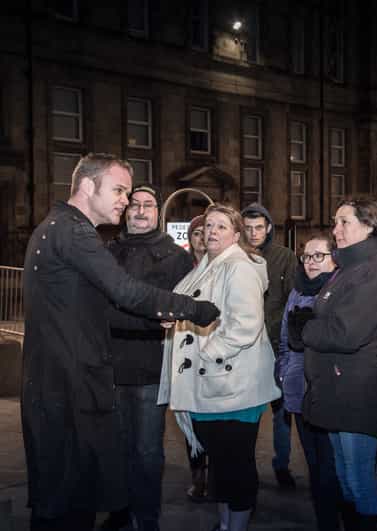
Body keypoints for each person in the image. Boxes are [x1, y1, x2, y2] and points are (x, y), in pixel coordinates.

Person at [21, 153, 219, 531]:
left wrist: (157, 313)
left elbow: (98, 306)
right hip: (67, 387)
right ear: (87, 186)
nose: (126, 201)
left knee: (66, 498)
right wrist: (191, 308)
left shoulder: (58, 227)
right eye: (119, 190)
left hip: (61, 383)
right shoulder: (75, 233)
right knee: (65, 504)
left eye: (129, 193)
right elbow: (125, 291)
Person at [158, 204, 281, 531]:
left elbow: (245, 326)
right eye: (209, 225)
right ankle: (226, 523)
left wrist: (206, 355)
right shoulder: (207, 266)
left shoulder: (237, 267)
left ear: (237, 235)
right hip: (210, 388)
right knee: (222, 467)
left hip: (231, 387)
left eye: (221, 226)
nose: (212, 231)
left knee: (235, 466)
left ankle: (235, 525)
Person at [297, 197, 377, 530]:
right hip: (337, 389)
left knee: (358, 482)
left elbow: (346, 332)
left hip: (356, 392)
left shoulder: (375, 270)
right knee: (345, 479)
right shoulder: (351, 267)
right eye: (335, 221)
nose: (336, 229)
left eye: (345, 222)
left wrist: (304, 329)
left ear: (369, 226)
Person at [98, 185, 194, 531]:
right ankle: (121, 508)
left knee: (148, 450)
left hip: (151, 366)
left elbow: (181, 308)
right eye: (134, 205)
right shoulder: (107, 252)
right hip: (110, 365)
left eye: (148, 205)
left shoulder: (176, 257)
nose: (140, 211)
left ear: (158, 213)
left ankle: (147, 516)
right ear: (125, 212)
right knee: (116, 446)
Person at [279, 234, 342, 531]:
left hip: (328, 392)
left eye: (319, 255)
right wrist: (284, 371)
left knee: (331, 466)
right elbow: (283, 340)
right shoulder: (296, 291)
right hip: (297, 389)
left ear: (334, 258)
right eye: (307, 256)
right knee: (315, 465)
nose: (312, 262)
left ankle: (334, 520)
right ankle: (324, 520)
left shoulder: (340, 289)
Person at [240, 202, 298, 490]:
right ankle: (244, 465)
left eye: (258, 228)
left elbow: (292, 300)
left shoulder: (284, 257)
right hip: (244, 349)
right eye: (248, 228)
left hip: (276, 345)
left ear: (268, 229)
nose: (253, 234)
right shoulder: (234, 256)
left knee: (281, 413)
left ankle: (281, 464)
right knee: (246, 413)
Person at [184, 214, 211, 502]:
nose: (201, 239)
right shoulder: (182, 267)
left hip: (213, 355)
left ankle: (213, 474)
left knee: (212, 421)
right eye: (196, 234)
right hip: (188, 356)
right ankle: (197, 475)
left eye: (205, 233)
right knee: (190, 420)